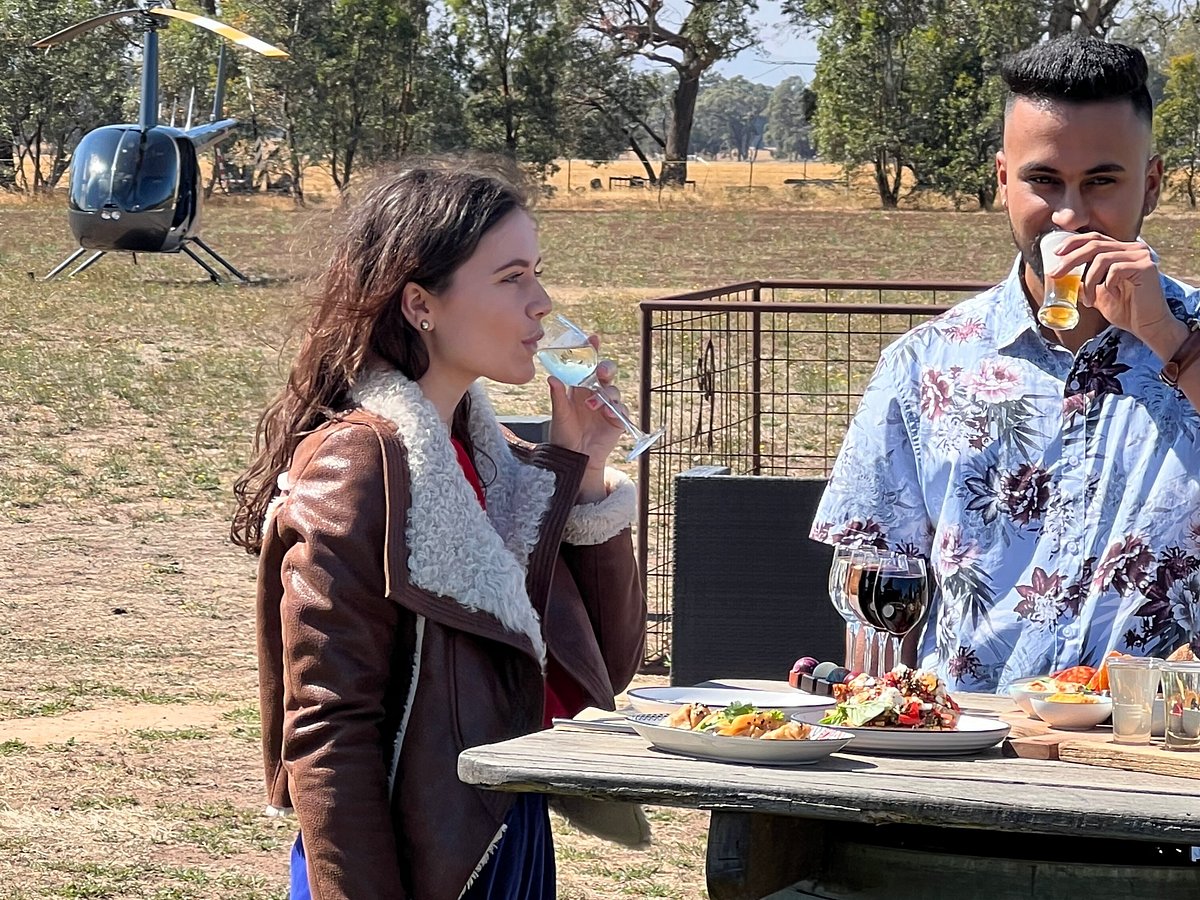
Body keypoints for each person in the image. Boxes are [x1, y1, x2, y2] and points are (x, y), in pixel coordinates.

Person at [231, 160, 647, 899]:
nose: (542, 303)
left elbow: (597, 676)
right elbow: (328, 727)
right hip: (407, 860)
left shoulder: (499, 466)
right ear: (421, 304)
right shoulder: (359, 463)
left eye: (537, 274)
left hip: (500, 835)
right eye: (512, 277)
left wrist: (582, 473)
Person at [811, 36, 1200, 692]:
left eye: (1102, 181)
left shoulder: (1191, 336)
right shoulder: (924, 365)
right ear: (1002, 180)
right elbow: (872, 590)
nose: (1071, 215)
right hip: (969, 734)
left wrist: (1166, 337)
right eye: (1043, 181)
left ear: (1152, 184)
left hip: (1164, 737)